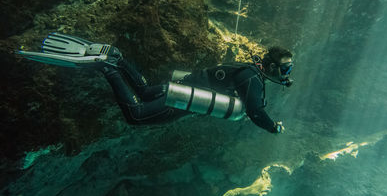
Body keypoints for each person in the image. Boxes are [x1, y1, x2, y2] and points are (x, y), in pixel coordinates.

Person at [18, 33, 293, 133]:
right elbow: (255, 110)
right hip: (187, 99)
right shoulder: (253, 79)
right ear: (270, 66)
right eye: (285, 68)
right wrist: (273, 127)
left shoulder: (246, 69)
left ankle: (117, 57)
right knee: (136, 116)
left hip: (186, 85)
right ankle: (107, 68)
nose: (286, 74)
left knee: (146, 90)